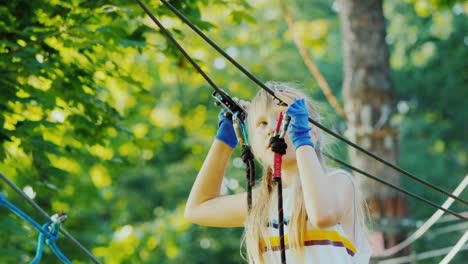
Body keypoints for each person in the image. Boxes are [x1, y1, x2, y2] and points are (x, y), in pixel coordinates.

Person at [184, 81, 371, 263]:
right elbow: (196, 209)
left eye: (284, 118)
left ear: (311, 133)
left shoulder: (337, 182)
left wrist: (301, 139)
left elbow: (322, 216)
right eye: (262, 123)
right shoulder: (260, 202)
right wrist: (225, 139)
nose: (272, 129)